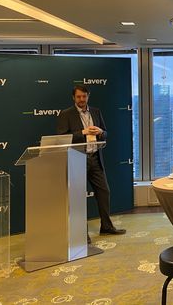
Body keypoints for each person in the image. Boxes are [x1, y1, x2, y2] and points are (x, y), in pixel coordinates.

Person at [57, 85, 126, 239]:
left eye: (84, 96)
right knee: (78, 198)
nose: (81, 99)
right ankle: (82, 234)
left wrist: (101, 132)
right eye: (78, 97)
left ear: (88, 96)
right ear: (73, 98)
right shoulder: (66, 114)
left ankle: (106, 227)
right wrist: (83, 132)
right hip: (77, 159)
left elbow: (105, 133)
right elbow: (62, 138)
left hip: (95, 158)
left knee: (104, 192)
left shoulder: (96, 111)